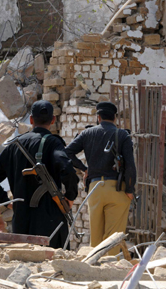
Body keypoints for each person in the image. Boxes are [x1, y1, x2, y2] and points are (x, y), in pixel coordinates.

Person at [0, 100, 79, 248]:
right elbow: (68, 169)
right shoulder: (53, 143)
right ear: (53, 120)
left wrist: (7, 201)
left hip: (22, 220)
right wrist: (70, 197)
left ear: (31, 120)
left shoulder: (15, 146)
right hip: (50, 220)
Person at [65, 101, 136, 255]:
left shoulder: (87, 133)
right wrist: (130, 189)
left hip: (95, 189)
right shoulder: (122, 134)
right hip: (117, 189)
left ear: (98, 117)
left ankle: (95, 269)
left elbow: (66, 153)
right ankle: (110, 272)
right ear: (115, 118)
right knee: (113, 239)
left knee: (96, 239)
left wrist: (85, 169)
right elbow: (130, 165)